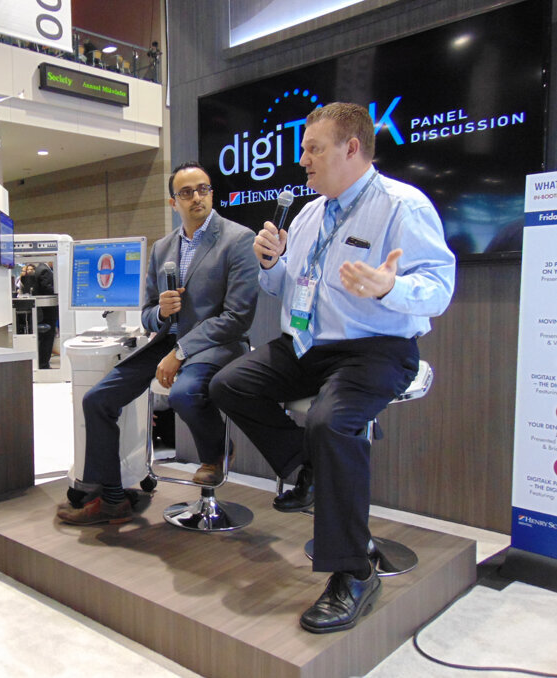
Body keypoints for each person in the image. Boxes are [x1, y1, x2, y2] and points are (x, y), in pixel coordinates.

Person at [209, 103, 456, 634]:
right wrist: (271, 264)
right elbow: (283, 289)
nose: (302, 160)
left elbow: (439, 288)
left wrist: (392, 287)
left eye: (312, 148)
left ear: (351, 148)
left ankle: (354, 573)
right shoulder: (309, 214)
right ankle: (305, 470)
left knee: (330, 423)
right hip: (309, 344)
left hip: (378, 346)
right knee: (229, 383)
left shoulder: (400, 206)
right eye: (303, 150)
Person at [57, 161, 260, 525]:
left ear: (211, 193)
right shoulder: (162, 248)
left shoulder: (238, 239)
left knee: (183, 393)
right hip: (165, 345)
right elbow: (147, 312)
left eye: (203, 189)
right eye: (186, 192)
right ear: (173, 203)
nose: (196, 197)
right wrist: (162, 314)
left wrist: (180, 352)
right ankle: (113, 499)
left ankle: (215, 454)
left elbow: (238, 317)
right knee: (97, 400)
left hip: (216, 345)